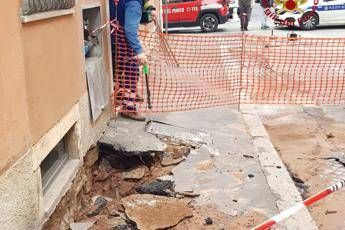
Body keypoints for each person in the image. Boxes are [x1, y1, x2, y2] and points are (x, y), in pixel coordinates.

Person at [109, 0, 156, 121]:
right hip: (124, 42)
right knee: (132, 72)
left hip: (113, 40)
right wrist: (139, 51)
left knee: (118, 71)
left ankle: (122, 96)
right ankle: (129, 108)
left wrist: (149, 11)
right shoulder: (134, 3)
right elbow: (130, 29)